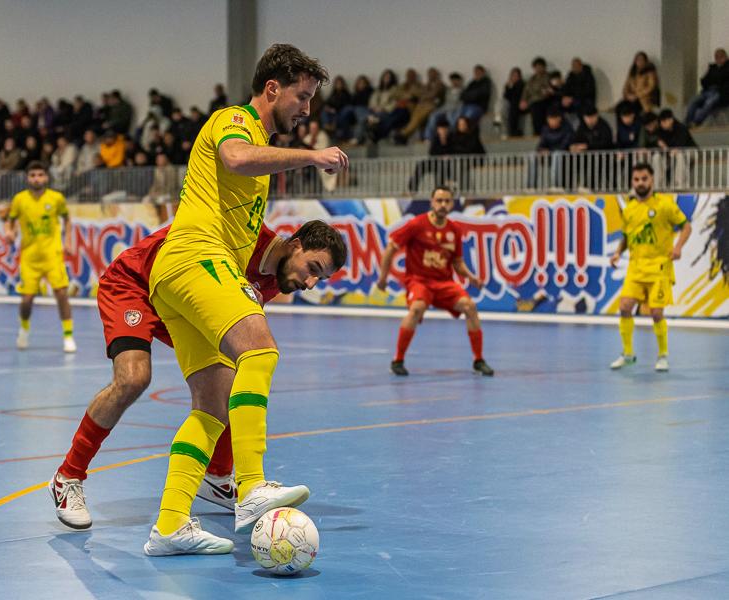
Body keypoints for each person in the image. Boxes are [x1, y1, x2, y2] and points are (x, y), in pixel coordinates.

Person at [143, 43, 348, 556]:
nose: (307, 110)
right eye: (302, 96)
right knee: (260, 350)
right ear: (272, 89)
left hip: (178, 274)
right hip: (195, 256)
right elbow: (235, 157)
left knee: (211, 409)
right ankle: (252, 486)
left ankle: (169, 525)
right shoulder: (235, 121)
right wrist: (312, 156)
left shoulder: (259, 149)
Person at [49, 220, 345, 529]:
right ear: (295, 246)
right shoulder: (243, 233)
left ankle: (217, 477)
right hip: (137, 283)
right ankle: (68, 476)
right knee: (133, 378)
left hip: (179, 303)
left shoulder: (274, 280)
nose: (311, 283)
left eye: (320, 278)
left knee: (234, 377)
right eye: (312, 268)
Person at [376, 186, 494, 377]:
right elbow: (391, 247)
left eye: (447, 201)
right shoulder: (416, 224)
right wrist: (383, 278)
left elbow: (457, 262)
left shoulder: (454, 230)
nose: (443, 205)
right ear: (432, 202)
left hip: (443, 284)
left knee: (470, 307)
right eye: (439, 201)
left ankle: (478, 360)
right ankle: (397, 360)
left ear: (452, 204)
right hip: (419, 281)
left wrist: (471, 278)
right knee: (416, 309)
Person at [609, 162, 691, 372]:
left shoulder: (664, 204)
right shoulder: (629, 209)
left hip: (659, 268)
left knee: (656, 313)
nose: (640, 183)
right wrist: (618, 252)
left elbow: (686, 226)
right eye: (636, 179)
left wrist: (678, 247)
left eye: (644, 179)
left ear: (652, 180)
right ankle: (628, 354)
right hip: (636, 268)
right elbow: (627, 236)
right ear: (632, 182)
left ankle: (662, 355)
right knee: (625, 307)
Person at [3, 161, 76, 353]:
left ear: (46, 177)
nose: (37, 178)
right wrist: (9, 232)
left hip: (53, 255)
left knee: (61, 294)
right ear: (28, 178)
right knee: (27, 299)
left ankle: (68, 336)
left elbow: (67, 219)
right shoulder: (19, 200)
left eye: (40, 175)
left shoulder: (56, 198)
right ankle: (24, 330)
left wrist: (68, 241)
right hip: (29, 258)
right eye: (33, 175)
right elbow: (10, 221)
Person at [686, 48, 729, 127]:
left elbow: (722, 79)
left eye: (721, 57)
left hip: (721, 92)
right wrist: (714, 80)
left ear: (726, 57)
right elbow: (704, 80)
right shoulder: (712, 68)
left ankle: (696, 122)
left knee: (709, 102)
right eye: (716, 57)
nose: (718, 59)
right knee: (693, 101)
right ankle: (688, 122)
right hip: (708, 91)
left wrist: (714, 80)